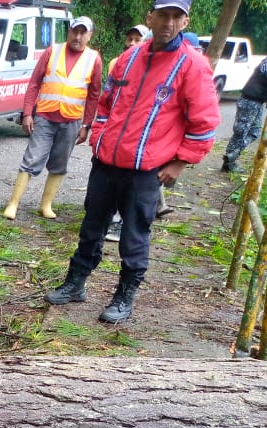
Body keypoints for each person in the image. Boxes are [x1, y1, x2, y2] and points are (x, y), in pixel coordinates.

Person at [44, 0, 219, 324]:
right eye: (163, 15)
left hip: (145, 171)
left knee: (134, 235)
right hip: (107, 163)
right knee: (91, 226)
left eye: (176, 17)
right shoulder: (128, 58)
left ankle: (124, 295)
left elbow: (205, 122)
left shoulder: (193, 65)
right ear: (149, 17)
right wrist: (99, 134)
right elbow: (107, 102)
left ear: (185, 21)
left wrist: (180, 163)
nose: (168, 23)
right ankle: (75, 283)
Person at [3, 17, 102, 220]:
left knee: (60, 163)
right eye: (75, 31)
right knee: (31, 159)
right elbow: (34, 83)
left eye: (83, 33)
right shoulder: (53, 51)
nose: (78, 36)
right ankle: (13, 203)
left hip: (72, 121)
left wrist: (87, 125)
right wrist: (28, 113)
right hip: (45, 117)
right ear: (69, 31)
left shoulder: (94, 59)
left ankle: (45, 205)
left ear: (89, 35)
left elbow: (94, 94)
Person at [105, 24, 151, 242]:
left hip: (141, 143)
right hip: (114, 138)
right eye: (130, 38)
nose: (132, 43)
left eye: (138, 39)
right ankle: (109, 218)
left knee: (134, 189)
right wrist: (99, 132)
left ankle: (122, 224)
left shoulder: (155, 67)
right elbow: (106, 98)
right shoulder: (118, 63)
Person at [221, 55, 267, 173]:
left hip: (257, 102)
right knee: (240, 133)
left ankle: (231, 155)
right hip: (250, 101)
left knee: (254, 133)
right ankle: (229, 163)